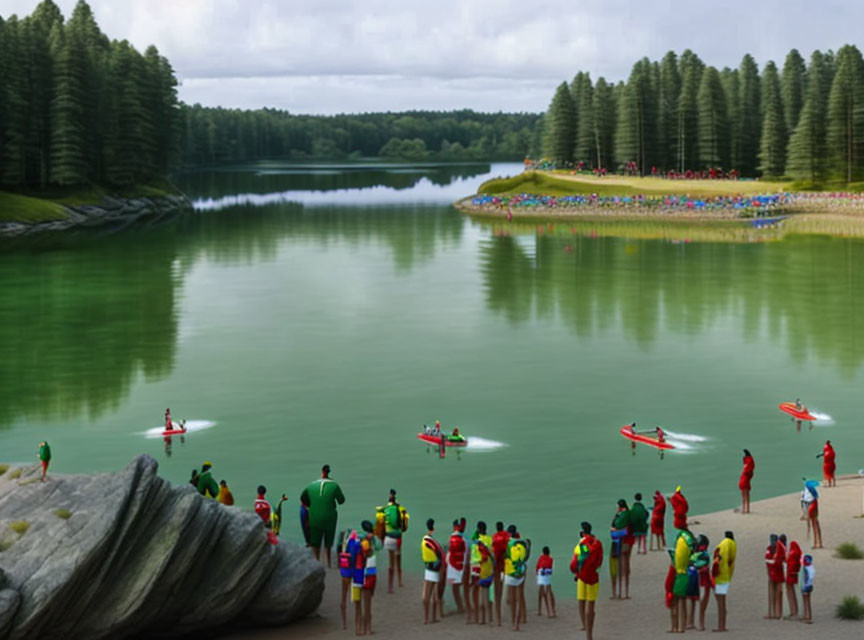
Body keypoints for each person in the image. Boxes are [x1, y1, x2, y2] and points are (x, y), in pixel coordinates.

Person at [300, 464, 346, 567]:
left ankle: (317, 561)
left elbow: (303, 499)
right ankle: (328, 562)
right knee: (328, 541)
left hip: (314, 517)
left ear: (322, 472)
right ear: (329, 472)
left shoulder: (311, 485)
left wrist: (310, 506)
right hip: (330, 518)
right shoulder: (334, 485)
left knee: (315, 541)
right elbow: (341, 501)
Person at [570, 521, 602, 640]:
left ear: (582, 532)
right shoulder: (597, 543)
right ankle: (590, 634)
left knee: (581, 600)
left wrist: (575, 571)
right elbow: (599, 562)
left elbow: (574, 564)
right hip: (593, 577)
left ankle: (584, 624)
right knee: (591, 605)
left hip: (581, 576)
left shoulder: (579, 546)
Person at [381, 489, 409, 592]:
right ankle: (400, 581)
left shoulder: (385, 510)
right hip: (398, 537)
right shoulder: (400, 509)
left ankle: (390, 586)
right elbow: (405, 526)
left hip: (389, 537)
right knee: (399, 558)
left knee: (391, 563)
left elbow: (381, 525)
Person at [670, 527, 695, 633]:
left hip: (681, 574)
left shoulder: (682, 540)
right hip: (686, 573)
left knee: (677, 601)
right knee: (682, 601)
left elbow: (678, 559)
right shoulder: (689, 541)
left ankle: (678, 627)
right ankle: (681, 625)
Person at [504, 530, 530, 631]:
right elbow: (526, 557)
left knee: (512, 598)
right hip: (521, 571)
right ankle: (522, 619)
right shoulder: (522, 543)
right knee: (520, 596)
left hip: (510, 571)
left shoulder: (507, 544)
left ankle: (513, 620)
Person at [469, 522, 494, 625]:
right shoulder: (490, 539)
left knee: (478, 593)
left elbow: (473, 556)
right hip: (489, 568)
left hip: (477, 568)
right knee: (488, 594)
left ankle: (479, 618)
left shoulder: (476, 542)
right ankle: (490, 617)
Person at [712, 531, 736, 632]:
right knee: (722, 602)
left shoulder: (724, 544)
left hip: (721, 577)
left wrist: (715, 573)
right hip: (727, 575)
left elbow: (720, 560)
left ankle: (721, 626)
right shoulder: (733, 545)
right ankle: (722, 625)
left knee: (720, 602)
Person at [421, 519, 444, 624]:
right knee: (434, 594)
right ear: (433, 529)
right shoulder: (431, 541)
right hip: (435, 568)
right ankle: (433, 617)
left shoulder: (426, 541)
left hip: (430, 568)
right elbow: (440, 552)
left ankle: (426, 618)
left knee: (426, 595)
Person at [359, 520, 379, 635]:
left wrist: (372, 537)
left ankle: (365, 627)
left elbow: (379, 546)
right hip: (366, 574)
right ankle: (367, 628)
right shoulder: (363, 541)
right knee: (367, 603)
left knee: (367, 602)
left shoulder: (370, 541)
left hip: (371, 573)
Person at [609, 499, 632, 599]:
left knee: (618, 565)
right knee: (626, 565)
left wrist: (616, 515)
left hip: (620, 541)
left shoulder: (622, 515)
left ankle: (616, 592)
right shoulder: (629, 514)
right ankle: (626, 592)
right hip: (628, 542)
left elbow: (615, 525)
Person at [491, 521, 510, 626]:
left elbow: (493, 554)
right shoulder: (507, 536)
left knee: (497, 594)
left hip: (497, 568)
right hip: (506, 567)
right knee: (505, 590)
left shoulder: (494, 537)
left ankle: (498, 619)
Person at [446, 518, 467, 613]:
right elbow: (466, 553)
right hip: (462, 565)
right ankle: (465, 605)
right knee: (466, 586)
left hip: (453, 566)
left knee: (455, 589)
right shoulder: (464, 540)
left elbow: (449, 554)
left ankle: (460, 607)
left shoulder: (451, 539)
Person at [693, 534, 712, 631]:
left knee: (700, 601)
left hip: (699, 579)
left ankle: (697, 622)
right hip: (703, 580)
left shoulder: (696, 554)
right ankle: (700, 622)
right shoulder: (704, 554)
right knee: (702, 602)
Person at [536, 546, 556, 617]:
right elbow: (550, 568)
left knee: (541, 592)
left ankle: (540, 610)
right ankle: (551, 611)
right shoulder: (550, 559)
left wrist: (537, 574)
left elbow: (537, 566)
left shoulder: (541, 558)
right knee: (549, 592)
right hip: (547, 573)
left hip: (541, 573)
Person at [802, 479, 823, 548]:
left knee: (813, 524)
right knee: (815, 523)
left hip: (810, 504)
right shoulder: (807, 490)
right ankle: (818, 542)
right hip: (811, 504)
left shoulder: (807, 489)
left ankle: (816, 542)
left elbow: (803, 502)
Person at [785, 539, 802, 620]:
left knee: (790, 589)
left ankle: (794, 611)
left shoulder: (793, 547)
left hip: (791, 571)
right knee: (790, 589)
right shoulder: (793, 546)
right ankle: (794, 611)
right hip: (792, 570)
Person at [739, 449, 755, 514]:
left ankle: (744, 509)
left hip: (744, 480)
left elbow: (750, 467)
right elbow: (751, 469)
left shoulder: (746, 466)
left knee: (744, 495)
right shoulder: (747, 466)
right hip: (745, 480)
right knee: (746, 495)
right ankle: (747, 509)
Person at [801, 554, 815, 623]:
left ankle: (807, 617)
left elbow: (805, 577)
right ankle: (810, 615)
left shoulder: (805, 568)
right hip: (810, 585)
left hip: (805, 586)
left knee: (805, 601)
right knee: (808, 601)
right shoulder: (812, 567)